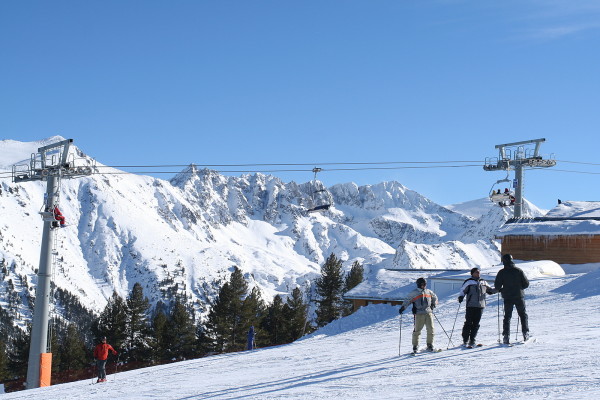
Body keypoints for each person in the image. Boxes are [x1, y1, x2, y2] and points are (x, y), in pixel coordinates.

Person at [495, 254, 530, 344]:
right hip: (519, 296)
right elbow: (526, 284)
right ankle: (525, 333)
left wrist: (503, 289)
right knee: (523, 315)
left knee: (507, 317)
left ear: (504, 261)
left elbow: (497, 286)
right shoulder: (518, 271)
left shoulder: (501, 272)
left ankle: (506, 336)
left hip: (507, 297)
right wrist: (519, 288)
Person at [458, 267, 496, 347]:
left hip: (480, 306)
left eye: (479, 272)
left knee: (476, 324)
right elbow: (463, 290)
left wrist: (499, 289)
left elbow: (490, 290)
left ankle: (472, 340)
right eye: (476, 272)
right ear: (472, 273)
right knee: (468, 323)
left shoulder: (483, 282)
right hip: (470, 305)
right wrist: (461, 297)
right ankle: (465, 340)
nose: (478, 273)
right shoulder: (469, 282)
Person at [399, 277, 438, 353]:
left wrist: (433, 304)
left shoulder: (428, 292)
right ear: (419, 285)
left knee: (431, 329)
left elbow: (435, 297)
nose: (424, 285)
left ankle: (430, 344)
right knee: (417, 331)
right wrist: (403, 307)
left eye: (425, 284)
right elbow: (407, 300)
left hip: (428, 313)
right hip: (419, 314)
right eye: (422, 284)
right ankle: (415, 346)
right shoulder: (414, 293)